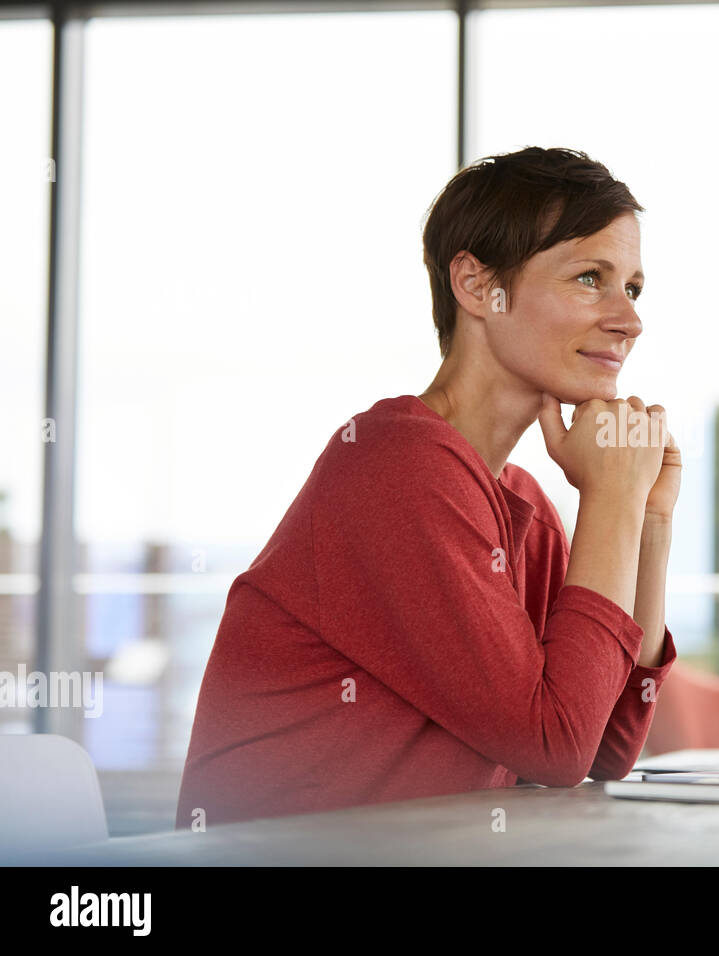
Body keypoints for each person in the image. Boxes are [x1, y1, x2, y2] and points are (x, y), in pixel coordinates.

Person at [175, 146, 680, 829]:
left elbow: (605, 748)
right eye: (591, 277)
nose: (629, 319)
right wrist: (610, 500)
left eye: (634, 288)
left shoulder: (522, 505)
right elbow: (556, 747)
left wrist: (646, 521)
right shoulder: (396, 466)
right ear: (475, 286)